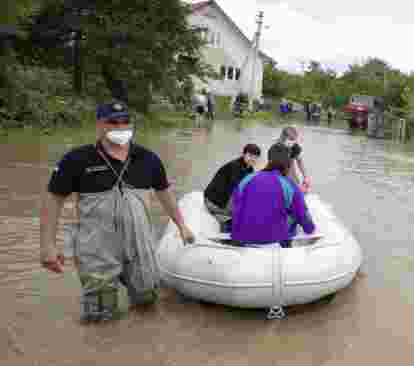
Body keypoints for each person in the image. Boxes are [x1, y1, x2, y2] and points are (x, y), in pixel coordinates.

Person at [39, 101, 196, 322]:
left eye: (125, 121)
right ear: (99, 125)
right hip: (97, 249)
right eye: (113, 122)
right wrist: (47, 246)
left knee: (147, 303)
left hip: (139, 246)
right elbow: (53, 200)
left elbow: (165, 192)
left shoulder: (148, 159)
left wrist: (182, 225)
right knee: (101, 317)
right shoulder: (77, 159)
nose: (120, 127)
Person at [230, 143, 315, 247]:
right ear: (288, 163)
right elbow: (306, 223)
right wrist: (310, 228)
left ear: (269, 160)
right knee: (294, 215)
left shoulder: (247, 179)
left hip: (241, 240)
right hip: (274, 242)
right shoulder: (289, 185)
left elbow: (235, 206)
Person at [204, 143, 261, 232]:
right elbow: (237, 190)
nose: (252, 159)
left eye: (255, 157)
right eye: (250, 155)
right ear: (243, 154)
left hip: (224, 200)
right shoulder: (235, 166)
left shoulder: (249, 169)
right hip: (214, 201)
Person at [274, 126, 311, 193]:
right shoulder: (275, 147)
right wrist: (294, 184)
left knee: (302, 190)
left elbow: (299, 161)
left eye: (294, 139)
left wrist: (306, 177)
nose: (293, 142)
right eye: (291, 139)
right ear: (283, 138)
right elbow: (280, 169)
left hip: (290, 170)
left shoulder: (294, 146)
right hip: (278, 173)